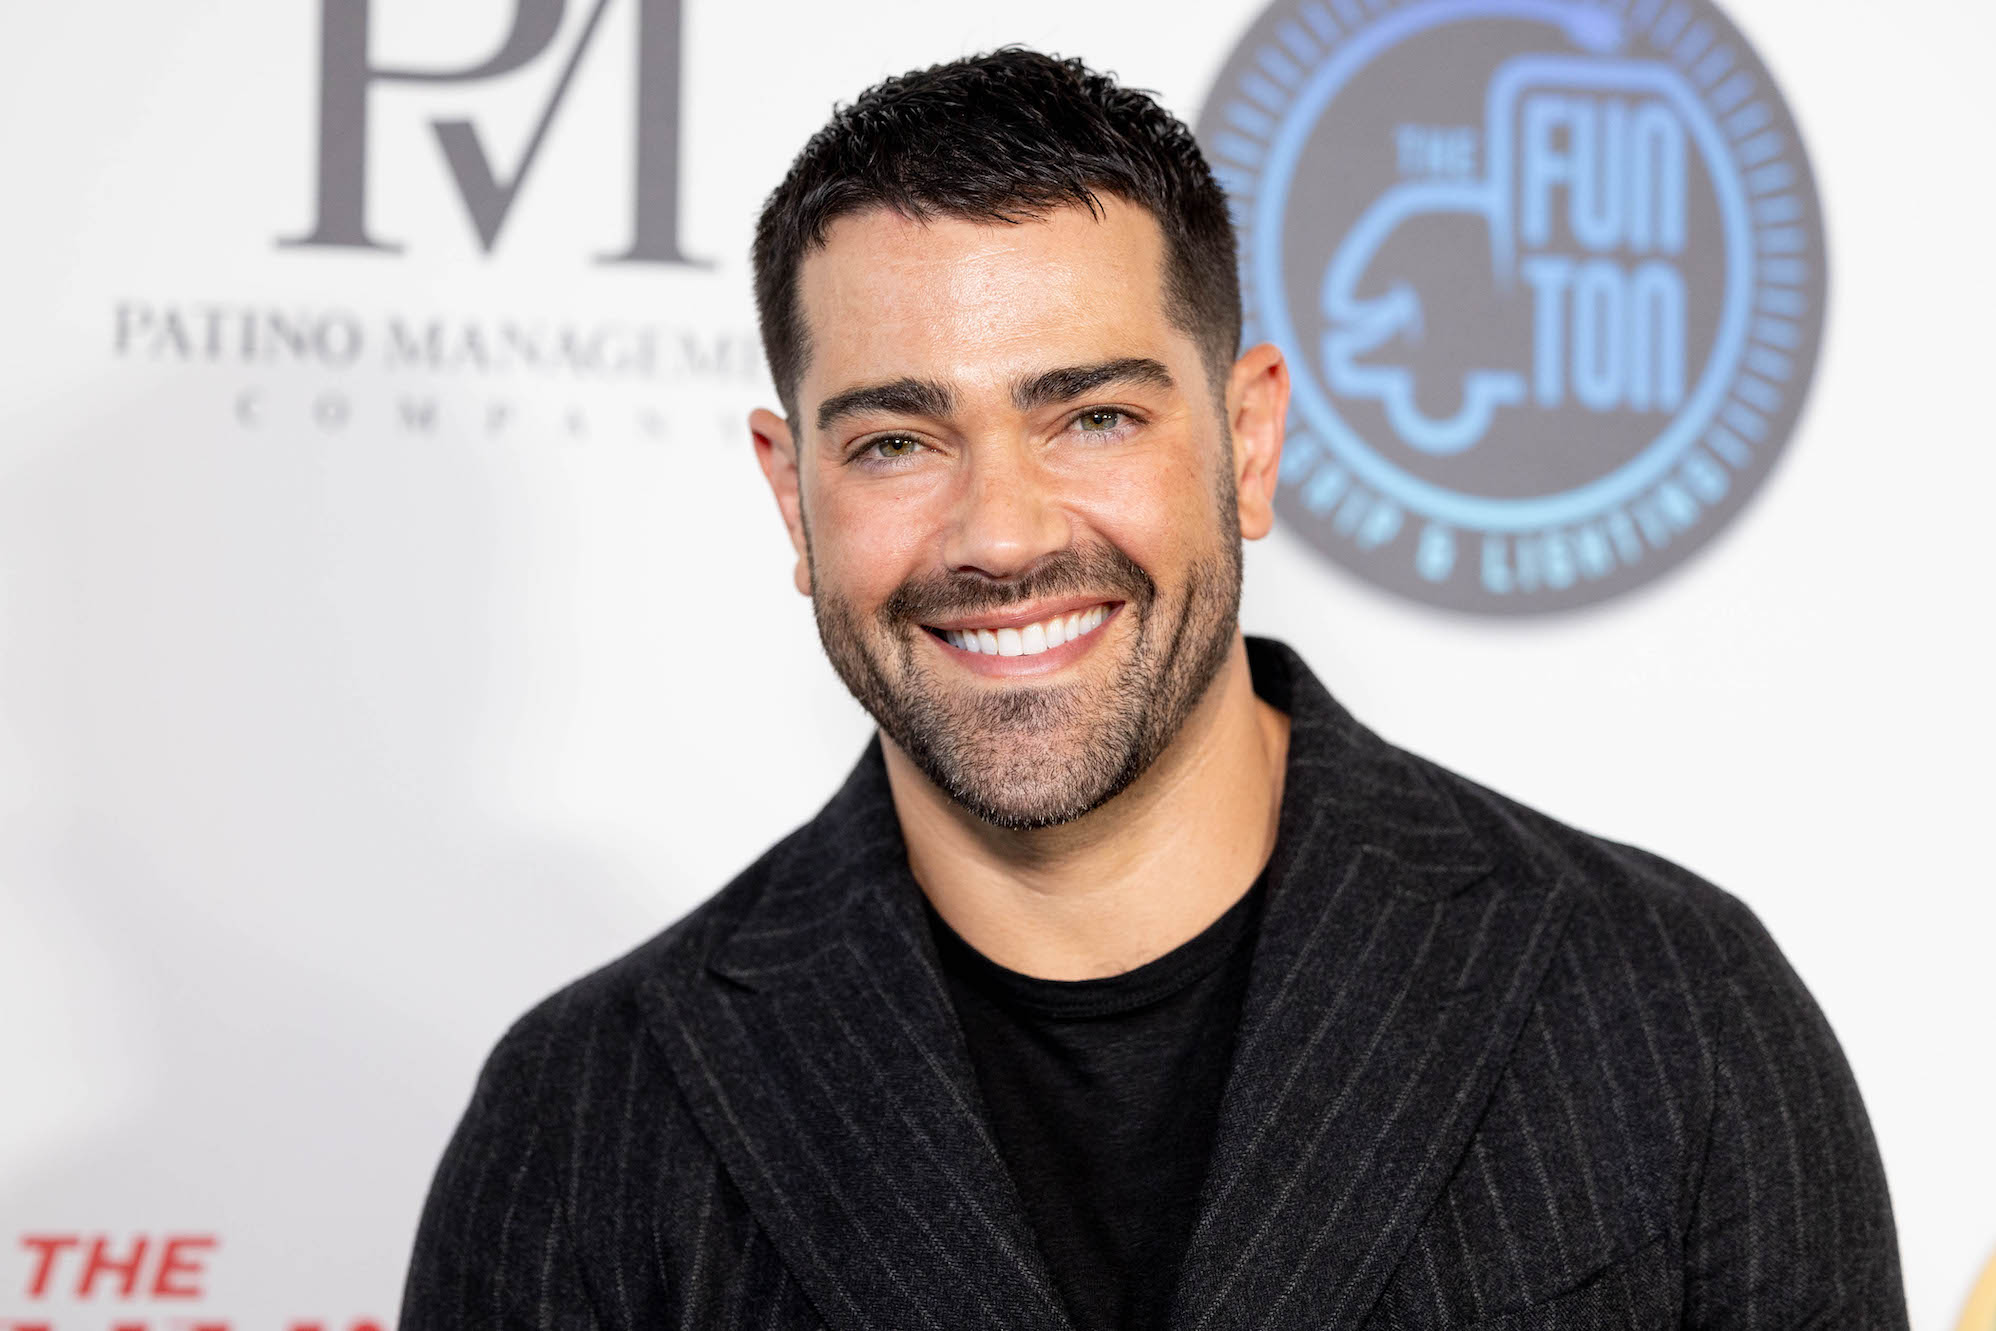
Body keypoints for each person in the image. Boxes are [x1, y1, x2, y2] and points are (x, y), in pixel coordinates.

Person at [400, 48, 1905, 1331]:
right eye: (895, 443)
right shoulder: (587, 1119)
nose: (1001, 535)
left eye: (1094, 416)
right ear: (793, 498)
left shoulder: (1668, 1010)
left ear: (1247, 442)